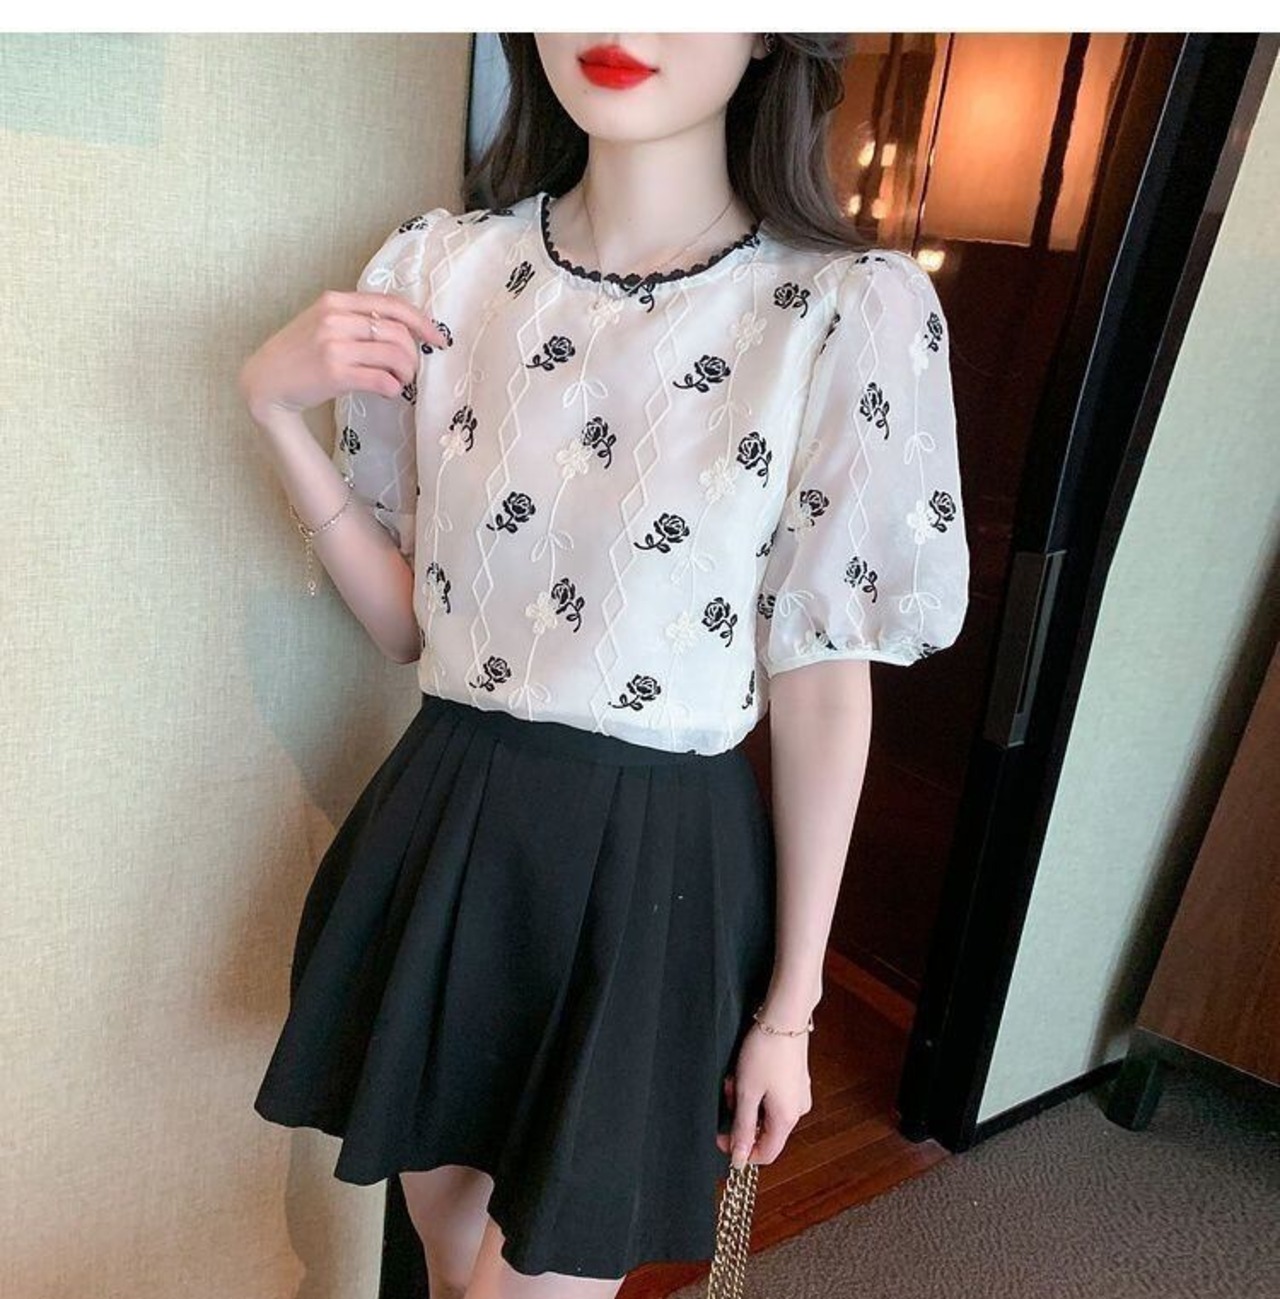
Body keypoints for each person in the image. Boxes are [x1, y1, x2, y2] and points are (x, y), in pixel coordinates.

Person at [239, 31, 969, 1299]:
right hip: (450, 824)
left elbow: (820, 688)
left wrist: (789, 1011)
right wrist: (274, 416)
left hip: (658, 864)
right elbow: (415, 631)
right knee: (452, 1269)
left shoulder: (842, 308)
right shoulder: (443, 269)